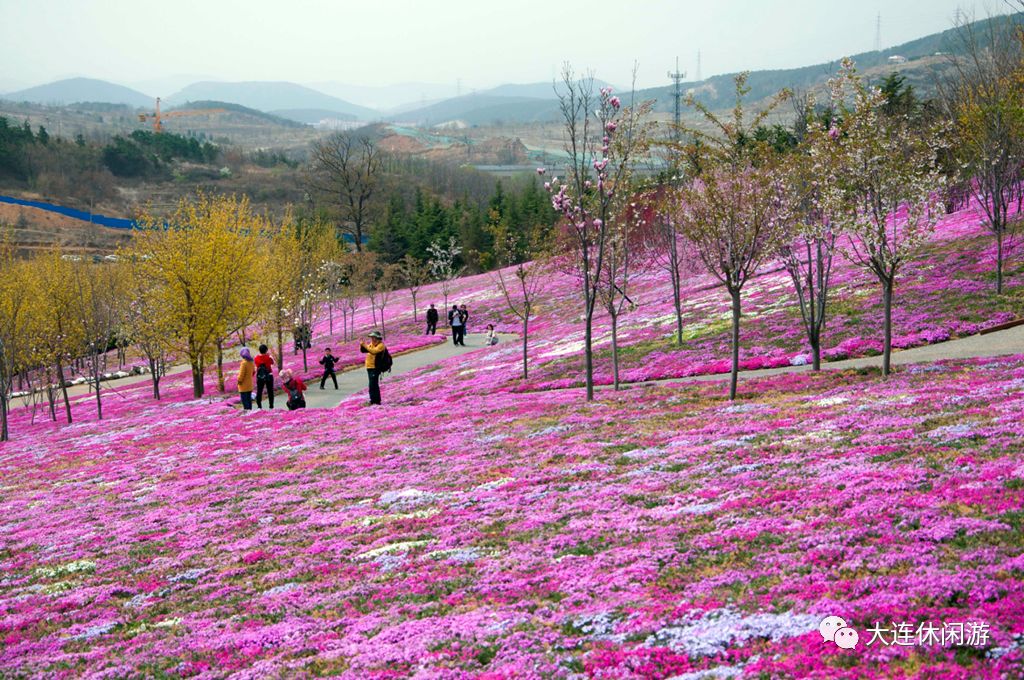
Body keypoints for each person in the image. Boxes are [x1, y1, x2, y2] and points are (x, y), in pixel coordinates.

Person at [359, 330, 387, 405]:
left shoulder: (381, 345)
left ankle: (375, 401)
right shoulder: (372, 344)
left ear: (377, 338)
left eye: (373, 337)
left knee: (373, 384)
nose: (372, 339)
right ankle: (374, 400)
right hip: (369, 367)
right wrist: (362, 345)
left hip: (375, 368)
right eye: (371, 337)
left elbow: (373, 351)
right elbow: (364, 350)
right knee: (372, 384)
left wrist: (364, 345)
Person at [254, 344, 275, 409]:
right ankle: (271, 406)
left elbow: (256, 365)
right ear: (266, 350)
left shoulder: (256, 358)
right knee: (270, 391)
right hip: (269, 375)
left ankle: (259, 406)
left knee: (259, 391)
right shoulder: (269, 357)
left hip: (260, 376)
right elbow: (273, 362)